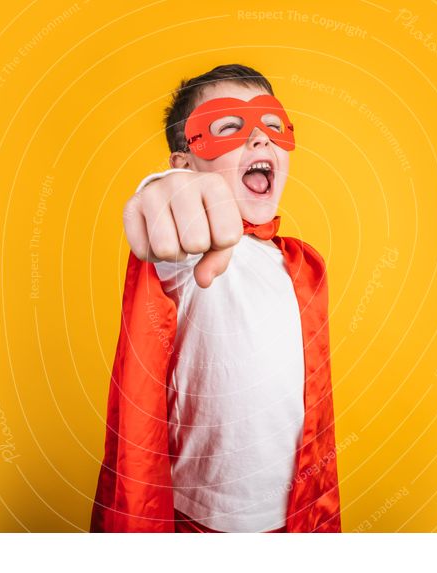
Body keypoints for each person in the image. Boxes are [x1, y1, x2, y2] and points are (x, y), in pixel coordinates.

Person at [90, 64, 341, 533]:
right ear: (185, 162)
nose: (259, 140)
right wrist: (160, 191)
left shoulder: (297, 266)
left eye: (272, 126)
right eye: (228, 128)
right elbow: (170, 215)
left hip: (292, 519)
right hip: (199, 523)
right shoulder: (196, 252)